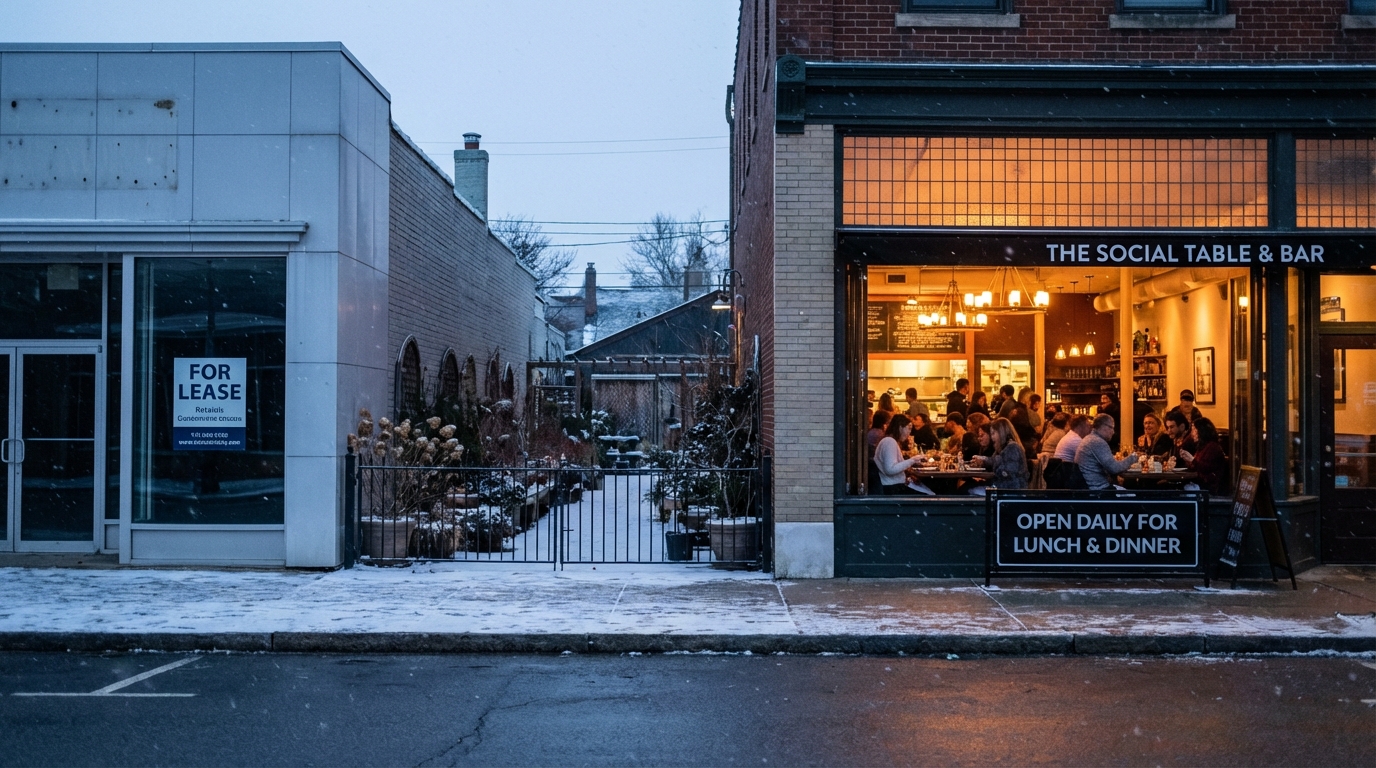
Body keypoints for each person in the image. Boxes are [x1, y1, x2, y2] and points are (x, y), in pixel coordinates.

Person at [1074, 414, 1141, 490]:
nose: (1113, 432)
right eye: (1111, 427)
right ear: (1103, 426)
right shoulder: (1097, 442)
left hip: (1090, 486)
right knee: (1134, 496)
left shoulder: (1089, 439)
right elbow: (1114, 468)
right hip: (1099, 489)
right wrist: (1133, 457)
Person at [971, 417, 1030, 489]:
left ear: (1001, 433)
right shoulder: (1004, 448)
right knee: (968, 485)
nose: (992, 437)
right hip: (1002, 487)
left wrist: (990, 471)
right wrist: (983, 461)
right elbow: (994, 461)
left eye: (993, 433)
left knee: (968, 489)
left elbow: (1006, 473)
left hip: (1010, 491)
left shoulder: (1012, 448)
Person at [874, 414, 922, 495]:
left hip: (893, 486)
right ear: (900, 427)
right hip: (893, 488)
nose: (909, 433)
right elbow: (890, 469)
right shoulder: (889, 442)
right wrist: (912, 460)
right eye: (909, 429)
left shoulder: (889, 441)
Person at [1179, 416, 1229, 494]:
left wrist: (1192, 460)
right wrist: (1188, 460)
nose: (1192, 434)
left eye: (1194, 430)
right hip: (1201, 483)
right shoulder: (1202, 447)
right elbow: (1196, 467)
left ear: (1202, 431)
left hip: (1208, 487)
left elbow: (1206, 468)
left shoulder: (1212, 447)